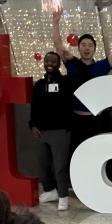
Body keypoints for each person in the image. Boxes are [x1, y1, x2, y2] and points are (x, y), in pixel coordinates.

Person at [50, 7, 112, 155]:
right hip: (75, 120)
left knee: (96, 155)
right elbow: (58, 44)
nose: (87, 48)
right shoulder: (71, 64)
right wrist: (55, 23)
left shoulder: (101, 66)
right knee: (76, 155)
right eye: (83, 45)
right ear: (78, 48)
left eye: (90, 45)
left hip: (95, 120)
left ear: (94, 49)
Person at [29, 51, 73, 212]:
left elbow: (68, 106)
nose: (50, 63)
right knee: (43, 164)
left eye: (53, 61)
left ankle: (63, 196)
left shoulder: (66, 82)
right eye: (47, 61)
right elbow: (34, 107)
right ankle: (50, 191)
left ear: (59, 64)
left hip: (60, 131)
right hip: (41, 131)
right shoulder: (39, 85)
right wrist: (32, 125)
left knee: (59, 165)